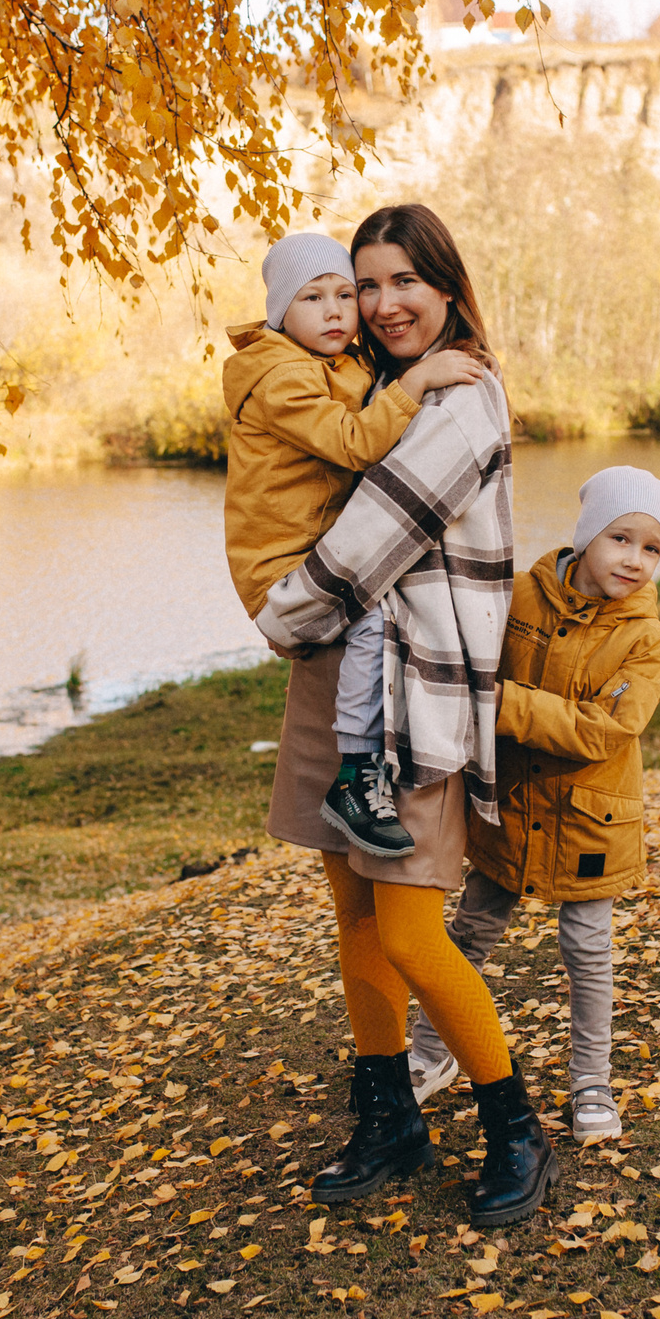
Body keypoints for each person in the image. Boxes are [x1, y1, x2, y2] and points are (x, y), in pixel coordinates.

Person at [249, 204, 554, 1227]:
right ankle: (388, 1119)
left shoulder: (460, 398)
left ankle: (515, 1124)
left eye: (400, 284)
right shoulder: (365, 385)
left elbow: (362, 545)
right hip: (340, 691)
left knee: (415, 931)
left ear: (448, 290)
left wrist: (277, 617)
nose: (380, 306)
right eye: (362, 285)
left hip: (414, 702)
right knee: (355, 922)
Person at [407, 467, 660, 1145]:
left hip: (591, 821)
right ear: (586, 535)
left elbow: (604, 730)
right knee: (470, 931)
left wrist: (508, 705)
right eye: (621, 538)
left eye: (651, 548)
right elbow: (477, 655)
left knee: (587, 948)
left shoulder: (646, 640)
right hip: (512, 808)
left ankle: (591, 1080)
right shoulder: (522, 593)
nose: (634, 560)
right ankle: (432, 1051)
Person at [222, 232, 484, 856]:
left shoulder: (337, 363)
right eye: (313, 298)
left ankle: (359, 771)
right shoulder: (280, 377)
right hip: (283, 565)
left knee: (372, 619)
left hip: (315, 548)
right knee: (370, 623)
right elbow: (353, 441)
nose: (337, 310)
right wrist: (417, 380)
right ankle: (357, 773)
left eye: (346, 293)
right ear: (281, 313)